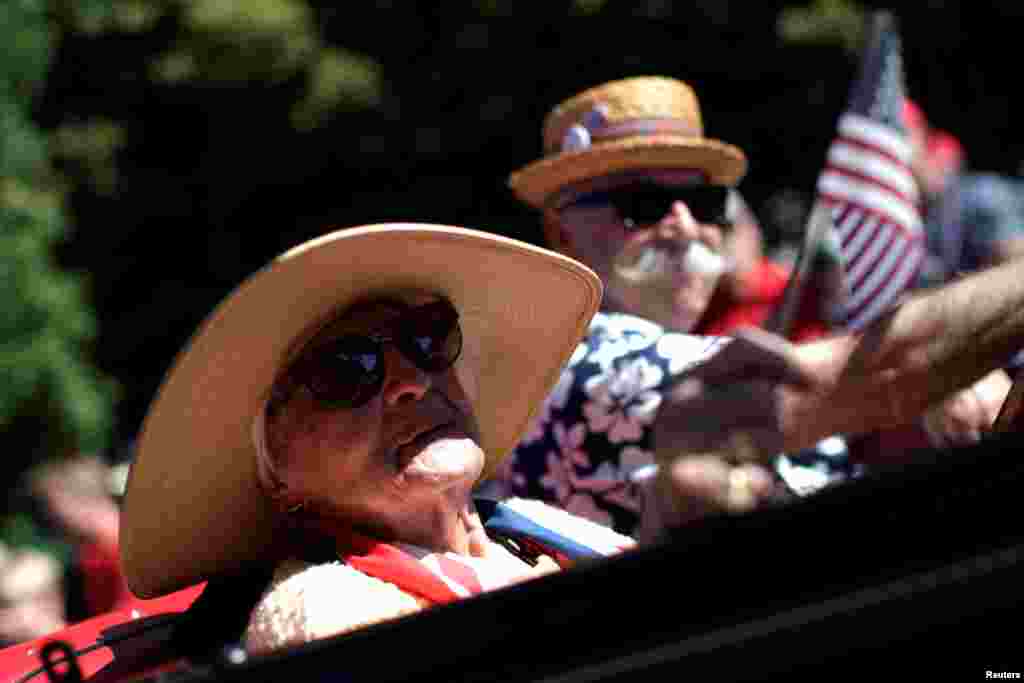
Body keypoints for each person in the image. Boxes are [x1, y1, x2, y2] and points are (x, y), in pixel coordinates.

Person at [488, 76, 1020, 533]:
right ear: (561, 233)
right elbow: (861, 379)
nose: (684, 223)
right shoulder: (587, 365)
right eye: (641, 205)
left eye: (704, 201)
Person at [118, 223, 674, 655]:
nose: (410, 380)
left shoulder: (532, 527)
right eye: (346, 369)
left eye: (425, 337)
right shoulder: (323, 615)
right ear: (276, 473)